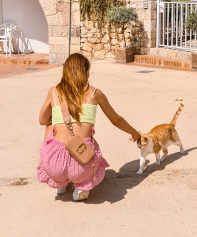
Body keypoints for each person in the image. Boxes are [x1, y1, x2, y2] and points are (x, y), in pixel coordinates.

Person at [38, 53, 141, 201]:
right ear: (85, 72)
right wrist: (135, 133)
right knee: (88, 140)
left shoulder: (53, 92)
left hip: (55, 164)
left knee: (49, 126)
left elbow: (42, 120)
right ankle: (81, 188)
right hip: (83, 161)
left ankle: (59, 183)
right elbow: (116, 120)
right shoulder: (95, 93)